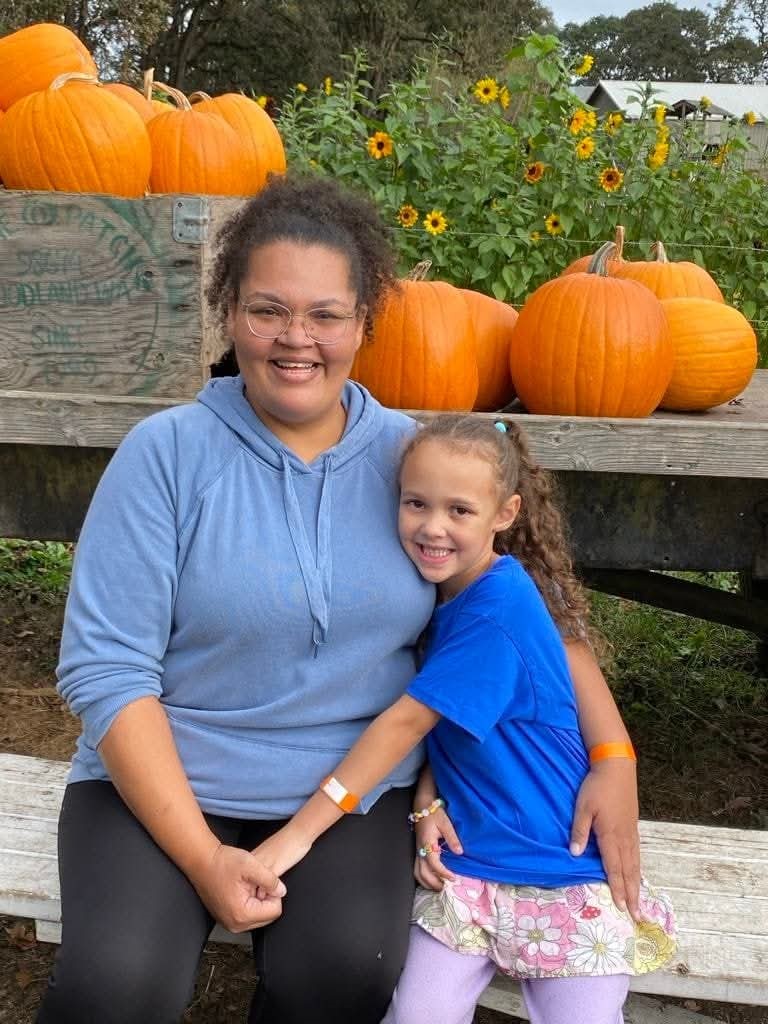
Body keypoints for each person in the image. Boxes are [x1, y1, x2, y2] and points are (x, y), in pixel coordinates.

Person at [38, 176, 642, 1024]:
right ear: (228, 314)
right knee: (119, 987)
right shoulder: (164, 456)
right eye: (267, 310)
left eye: (325, 314)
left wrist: (614, 754)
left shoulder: (414, 463)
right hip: (162, 779)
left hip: (351, 788)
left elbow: (520, 610)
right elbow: (107, 671)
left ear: (364, 321)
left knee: (348, 974)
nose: (296, 340)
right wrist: (204, 856)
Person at [251, 413, 676, 1024]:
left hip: (560, 872)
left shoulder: (495, 611)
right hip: (467, 874)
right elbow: (457, 730)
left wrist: (299, 834)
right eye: (416, 503)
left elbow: (405, 724)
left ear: (505, 514)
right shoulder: (448, 595)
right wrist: (428, 796)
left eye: (460, 511)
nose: (432, 527)